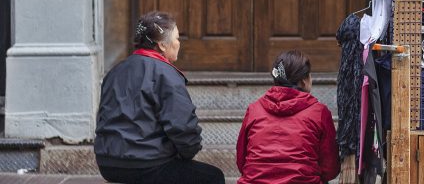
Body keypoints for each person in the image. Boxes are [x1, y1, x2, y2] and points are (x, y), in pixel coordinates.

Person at [95, 11, 224, 184]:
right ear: (162, 45)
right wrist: (187, 153)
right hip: (147, 164)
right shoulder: (166, 74)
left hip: (107, 163)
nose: (179, 43)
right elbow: (183, 128)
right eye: (177, 38)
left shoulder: (115, 72)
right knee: (213, 177)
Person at [237, 50, 340, 183]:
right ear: (304, 81)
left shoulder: (254, 110)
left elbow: (241, 161)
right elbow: (329, 168)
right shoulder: (319, 112)